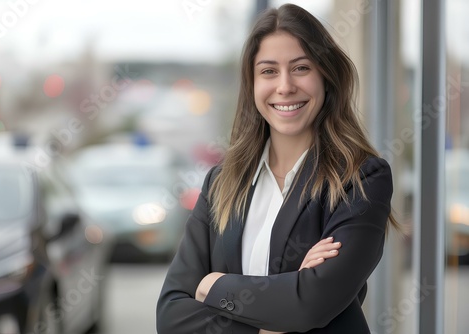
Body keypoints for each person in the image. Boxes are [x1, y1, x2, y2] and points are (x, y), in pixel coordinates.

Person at [157, 3, 400, 333]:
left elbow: (310, 305)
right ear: (253, 85)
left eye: (301, 68)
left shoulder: (360, 180)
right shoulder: (221, 183)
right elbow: (171, 315)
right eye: (269, 71)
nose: (285, 86)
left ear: (326, 77)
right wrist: (268, 321)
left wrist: (212, 285)